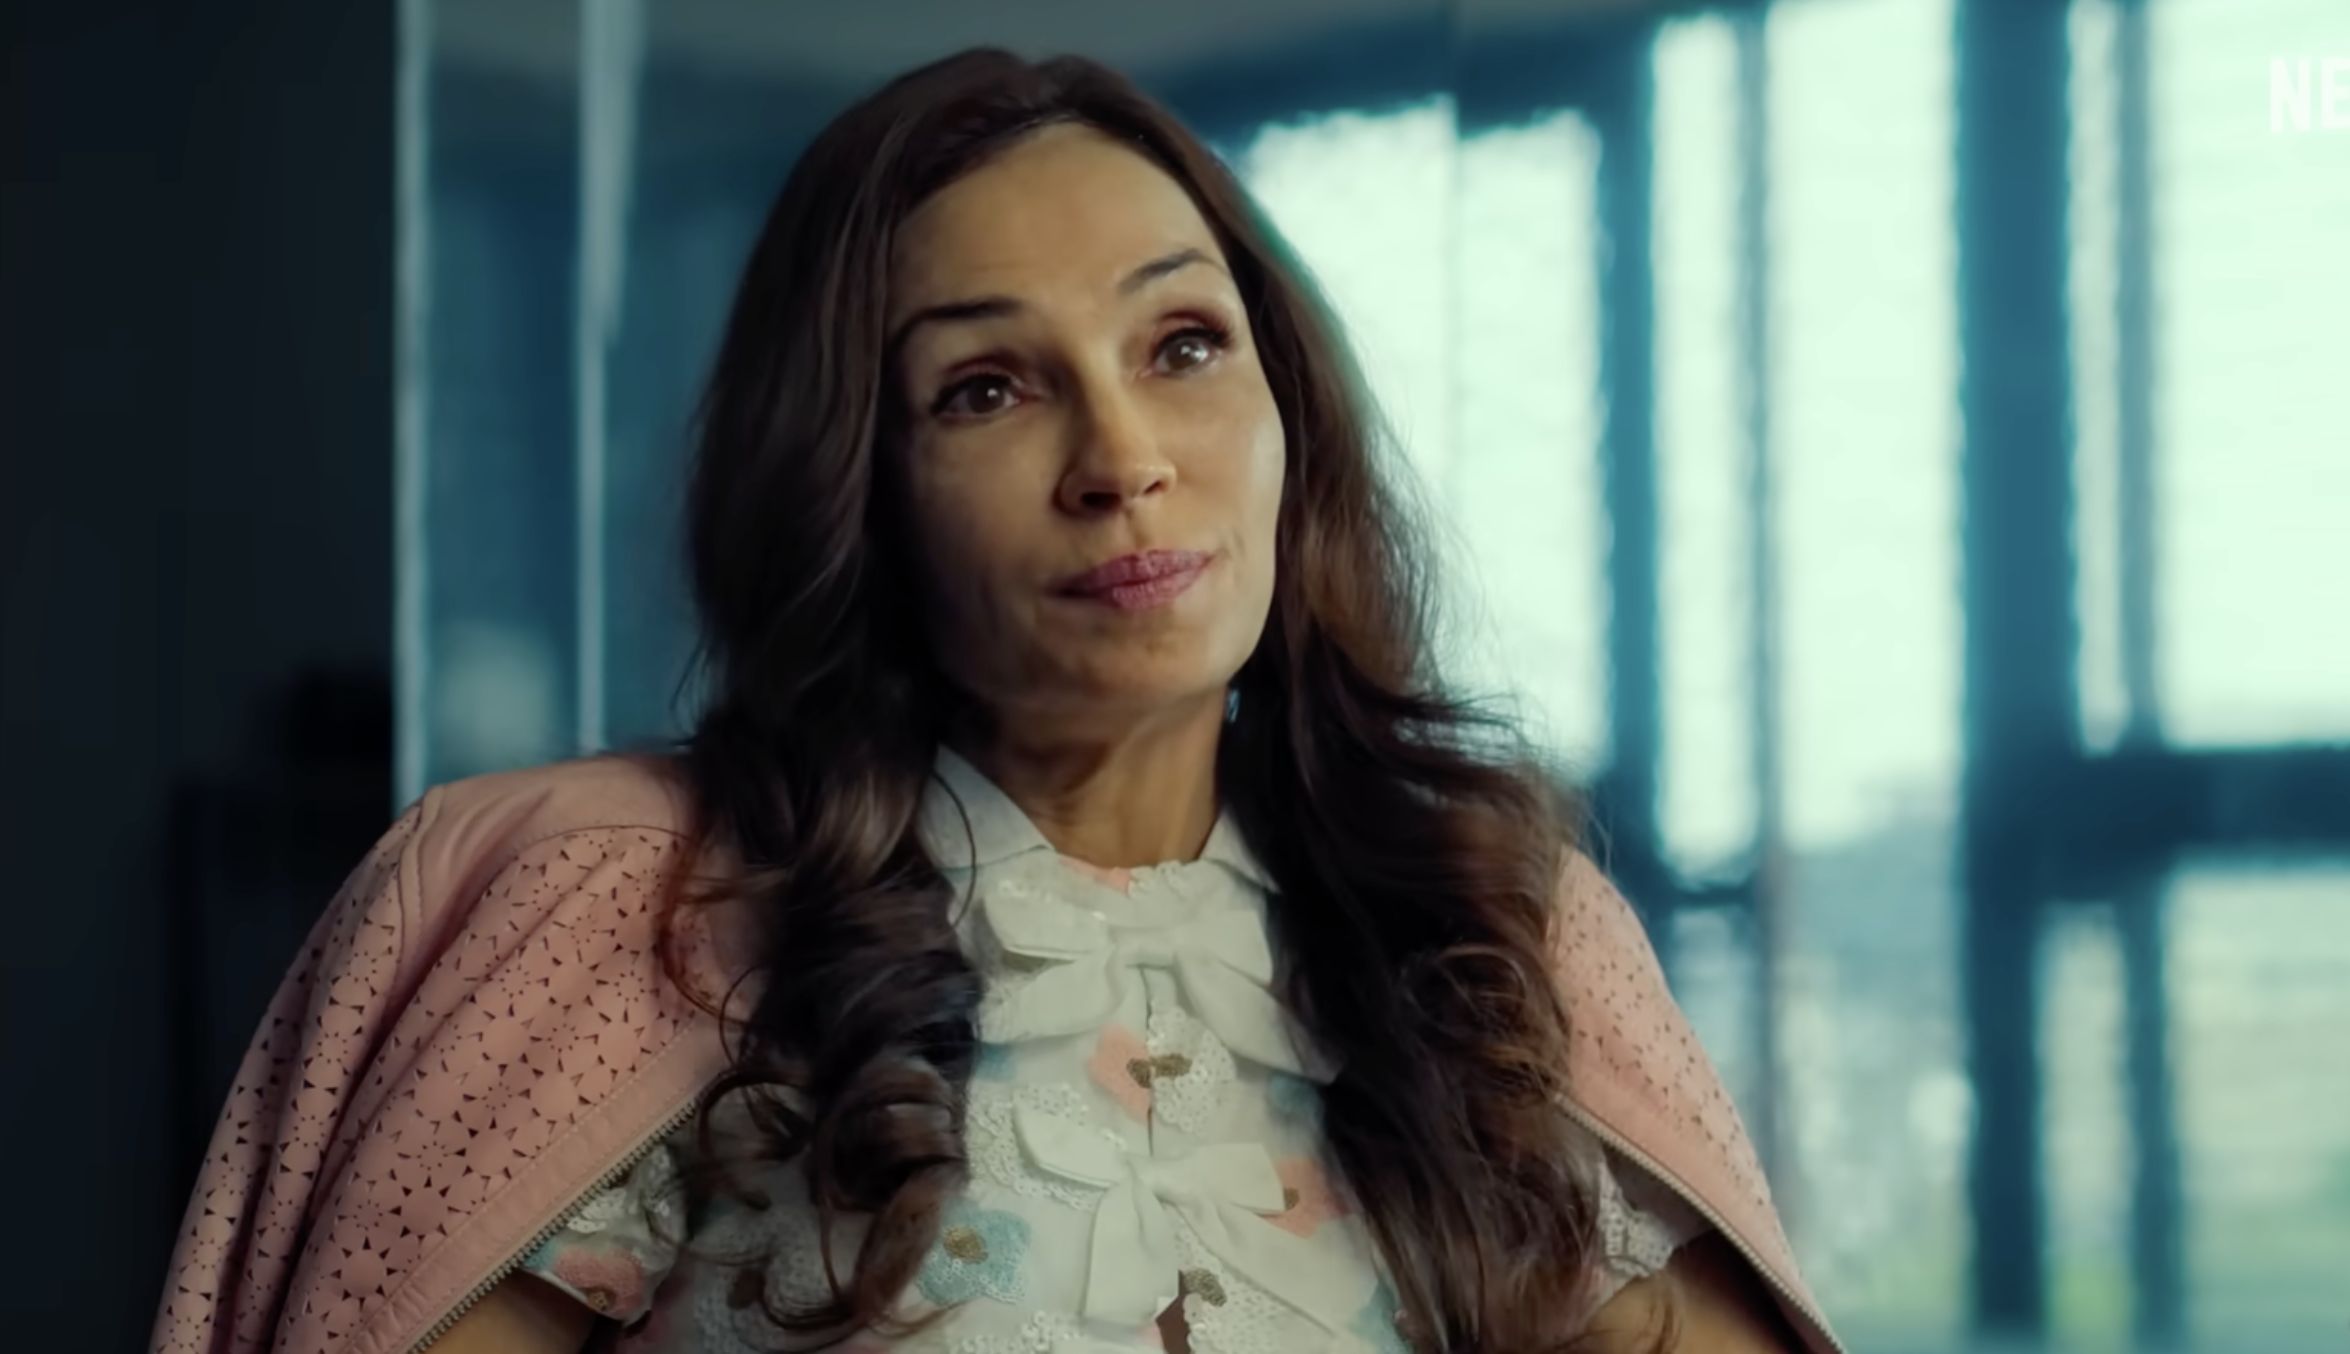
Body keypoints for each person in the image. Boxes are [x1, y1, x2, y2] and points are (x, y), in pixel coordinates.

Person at [152, 49, 1837, 1354]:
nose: (1122, 458)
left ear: (1289, 408)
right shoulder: (625, 906)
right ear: (854, 490)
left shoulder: (1495, 931)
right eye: (984, 388)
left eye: (1182, 345)